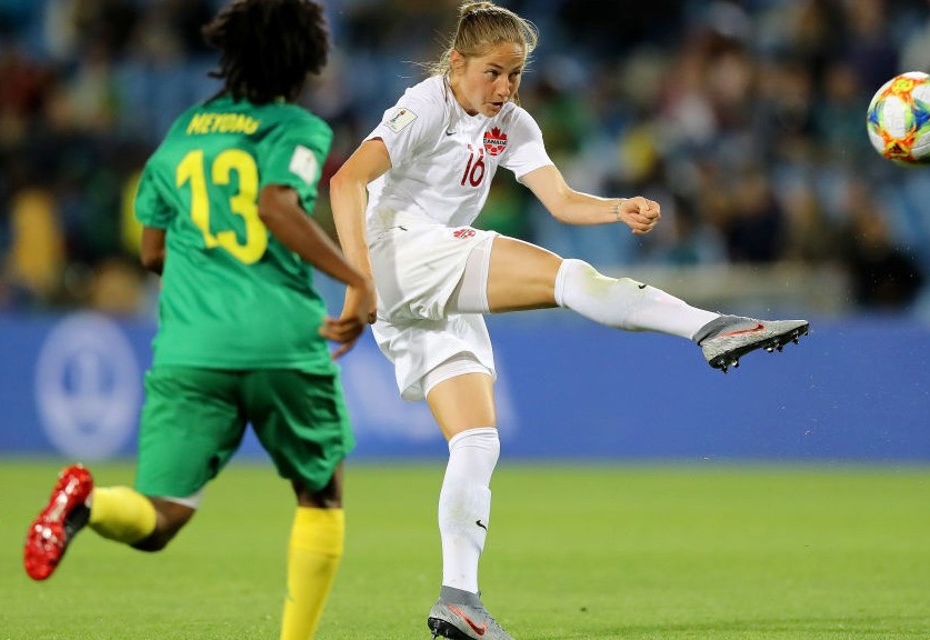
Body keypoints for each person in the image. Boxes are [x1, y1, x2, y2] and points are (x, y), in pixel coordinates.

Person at [327, 3, 810, 638]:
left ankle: (458, 600)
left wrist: (618, 208)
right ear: (456, 65)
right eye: (493, 73)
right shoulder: (426, 104)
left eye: (516, 75)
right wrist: (358, 282)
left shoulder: (512, 124)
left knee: (476, 442)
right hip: (401, 252)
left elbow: (558, 199)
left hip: (420, 290)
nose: (504, 89)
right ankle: (708, 327)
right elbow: (345, 182)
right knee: (566, 278)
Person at [22, 3, 373, 640]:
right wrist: (356, 277)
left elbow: (152, 251)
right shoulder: (296, 127)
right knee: (319, 495)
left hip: (190, 347)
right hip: (282, 342)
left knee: (159, 519)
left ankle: (87, 503)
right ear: (305, 60)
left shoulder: (182, 131)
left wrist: (204, 279)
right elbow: (275, 205)